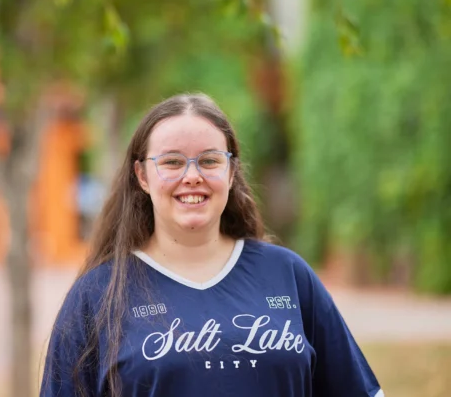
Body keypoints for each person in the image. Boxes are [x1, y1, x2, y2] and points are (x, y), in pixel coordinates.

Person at [40, 93, 383, 397]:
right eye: (172, 162)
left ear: (231, 172)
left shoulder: (288, 275)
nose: (192, 176)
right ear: (142, 176)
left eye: (209, 160)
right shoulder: (97, 296)